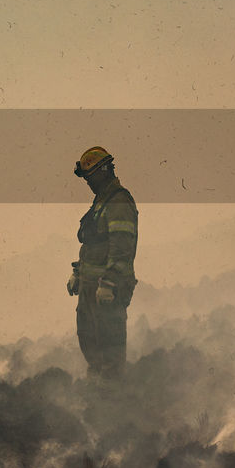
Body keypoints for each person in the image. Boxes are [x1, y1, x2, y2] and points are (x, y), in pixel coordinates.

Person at [67, 146, 138, 378]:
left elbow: (122, 248)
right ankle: (97, 397)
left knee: (110, 351)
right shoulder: (101, 202)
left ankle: (113, 403)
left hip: (107, 290)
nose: (88, 183)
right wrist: (78, 272)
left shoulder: (119, 202)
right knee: (89, 342)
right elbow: (92, 244)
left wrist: (109, 283)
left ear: (104, 171)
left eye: (91, 177)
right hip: (90, 288)